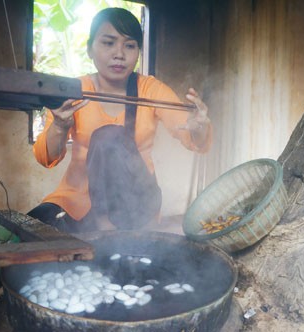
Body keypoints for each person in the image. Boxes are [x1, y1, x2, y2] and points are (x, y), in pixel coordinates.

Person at [28, 7, 212, 233]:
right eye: (108, 43)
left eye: (129, 45)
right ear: (89, 49)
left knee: (109, 137)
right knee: (31, 229)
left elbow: (194, 137)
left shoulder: (149, 89)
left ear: (138, 52)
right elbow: (47, 157)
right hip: (77, 200)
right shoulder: (74, 91)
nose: (119, 54)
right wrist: (59, 125)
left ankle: (110, 234)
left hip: (135, 202)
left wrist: (198, 127)